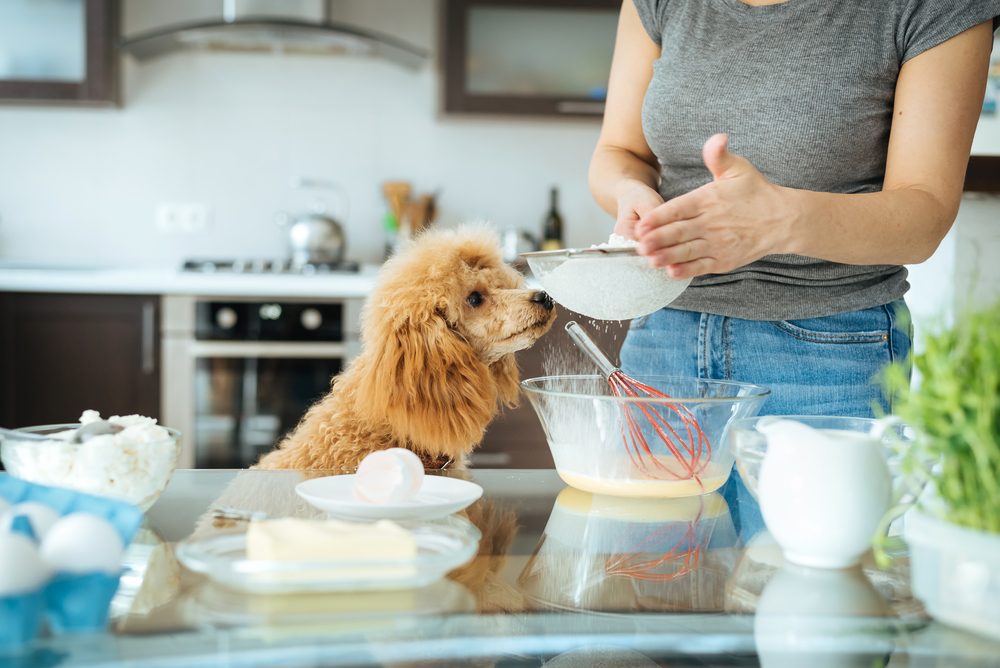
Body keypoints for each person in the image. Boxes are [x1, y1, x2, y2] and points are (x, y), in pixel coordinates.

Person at [588, 0, 999, 536]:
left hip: (828, 352)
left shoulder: (934, 8)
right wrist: (629, 193)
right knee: (663, 601)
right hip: (663, 338)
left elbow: (924, 216)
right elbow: (618, 151)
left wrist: (782, 220)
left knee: (813, 599)